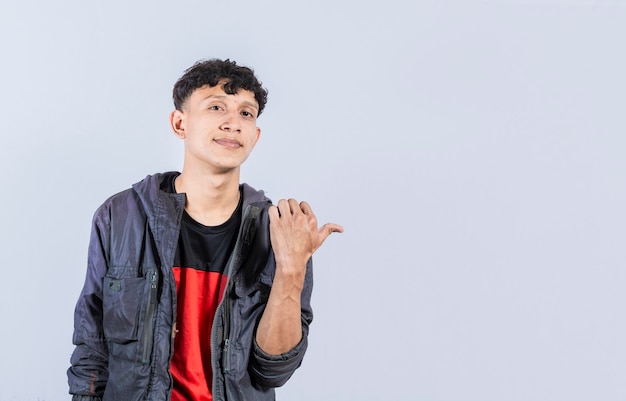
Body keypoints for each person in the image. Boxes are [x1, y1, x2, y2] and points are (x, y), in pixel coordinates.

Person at [67, 58, 343, 401]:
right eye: (216, 107)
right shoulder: (120, 217)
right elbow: (92, 346)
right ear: (179, 123)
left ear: (255, 136)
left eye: (246, 113)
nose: (233, 123)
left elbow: (273, 369)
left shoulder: (281, 230)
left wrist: (291, 269)